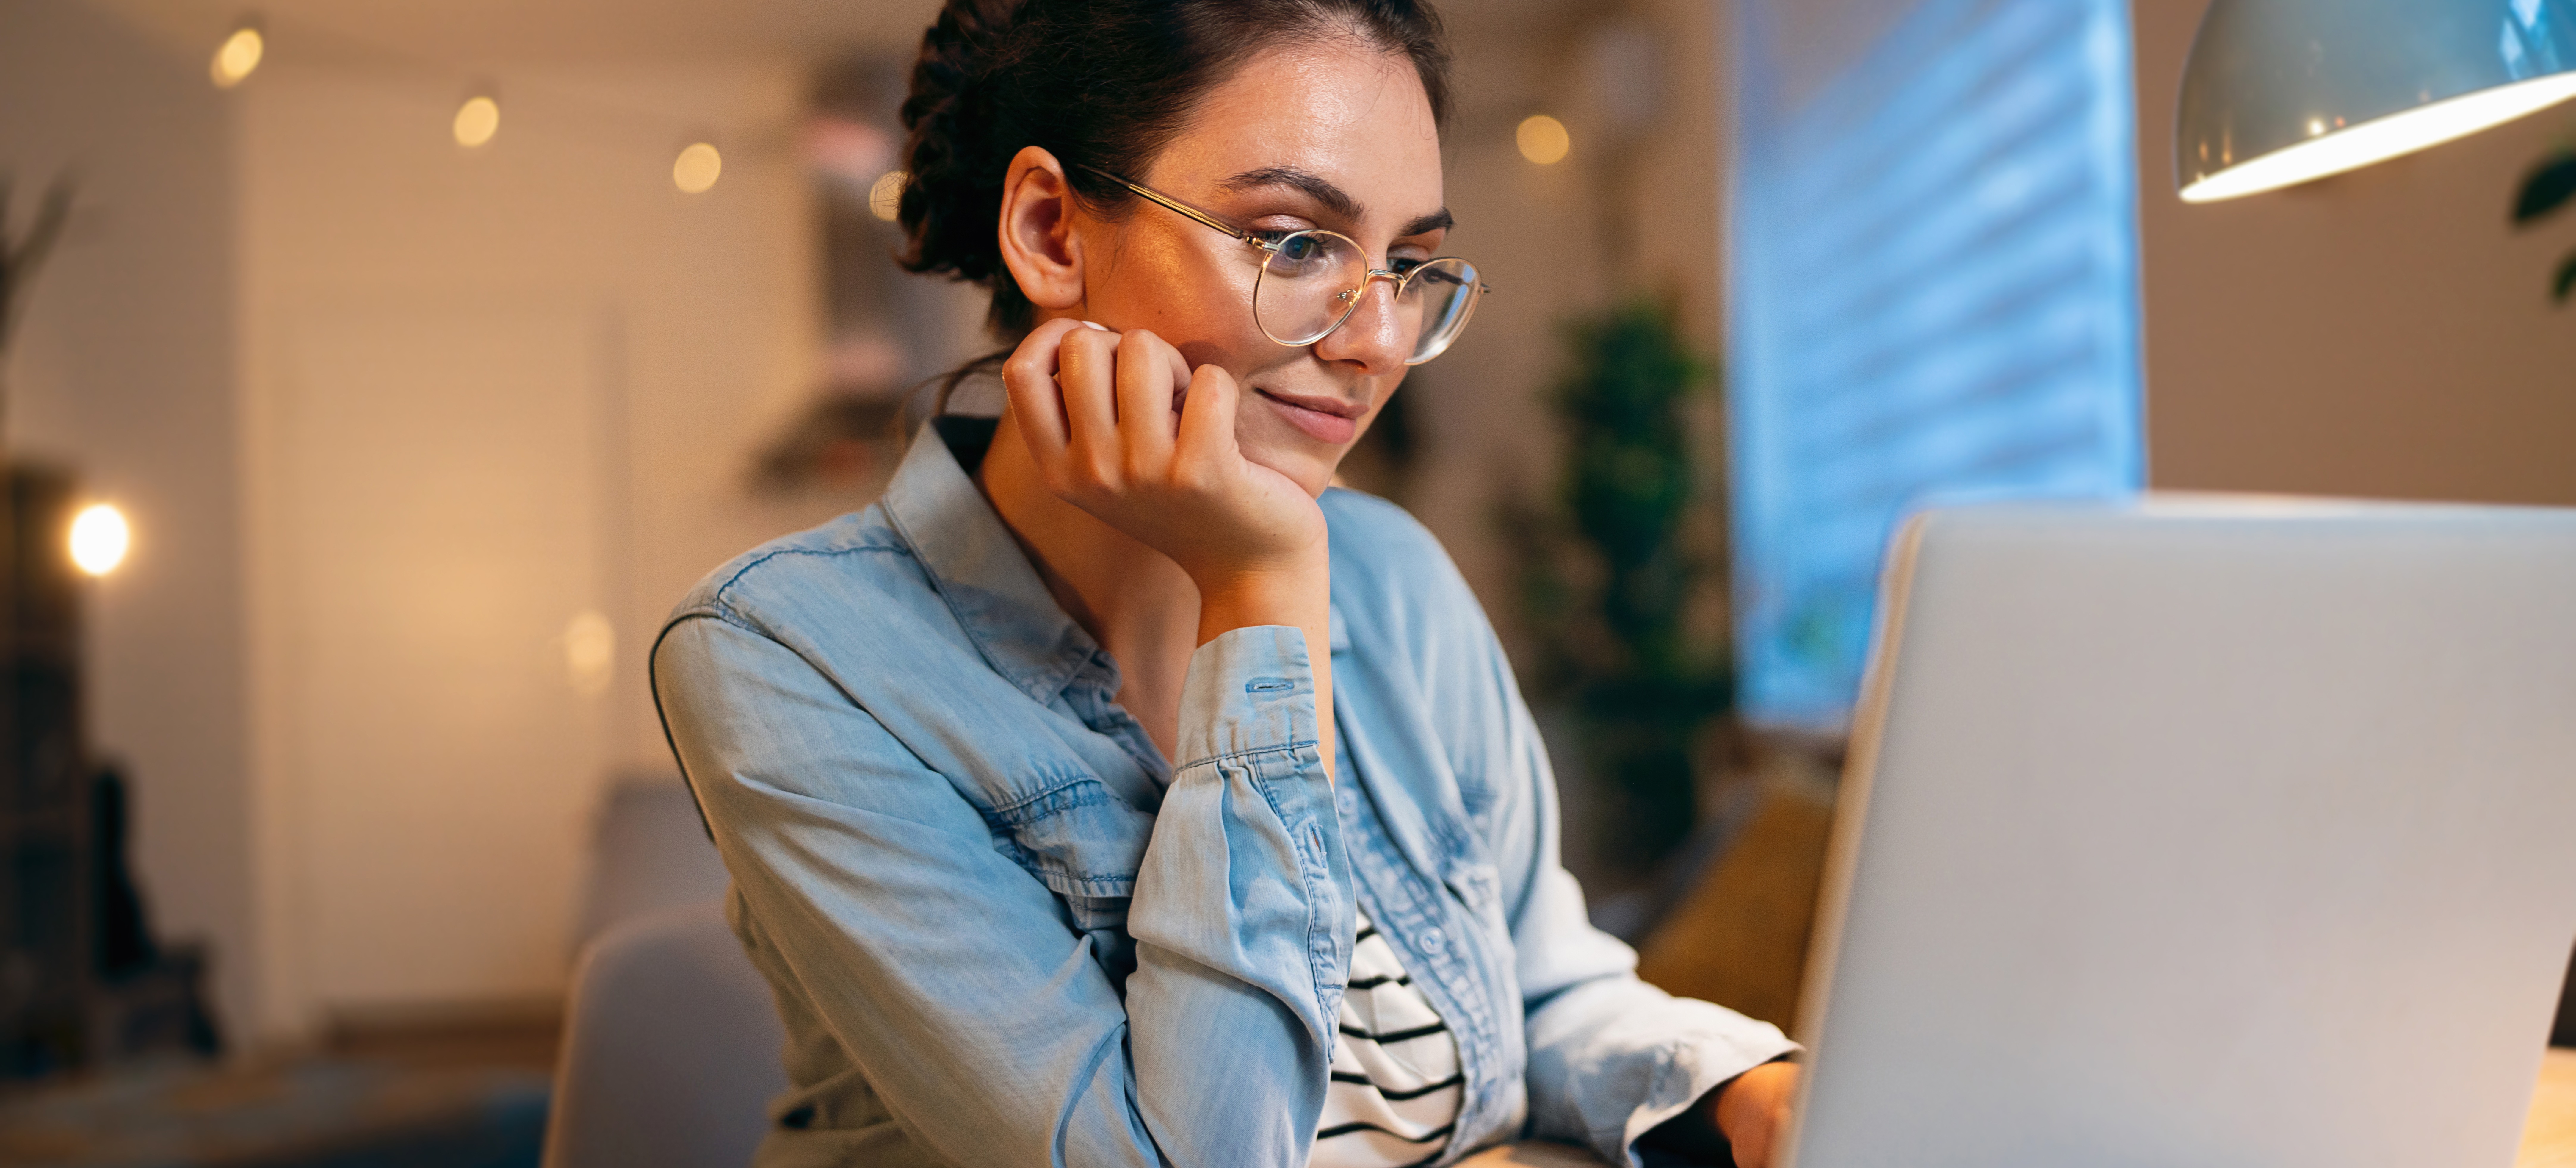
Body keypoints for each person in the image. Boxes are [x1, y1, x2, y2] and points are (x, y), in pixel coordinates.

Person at [649, 1, 1800, 1164]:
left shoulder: (1393, 578)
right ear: (1051, 230)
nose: (1379, 341)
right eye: (1295, 241)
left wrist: (1748, 1088)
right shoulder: (788, 652)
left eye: (1405, 264)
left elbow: (1536, 987)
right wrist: (1256, 592)